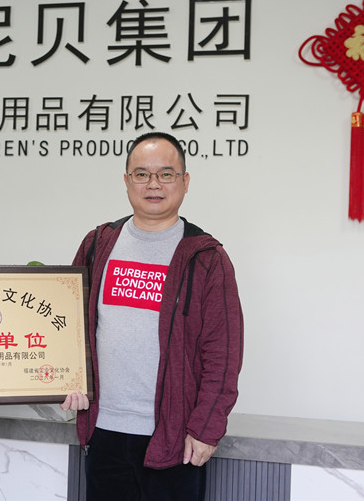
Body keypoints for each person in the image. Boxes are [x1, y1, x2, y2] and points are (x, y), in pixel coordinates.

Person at [61, 131, 243, 500]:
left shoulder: (206, 258)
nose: (153, 184)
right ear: (126, 181)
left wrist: (206, 428)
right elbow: (69, 324)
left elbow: (223, 355)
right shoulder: (98, 244)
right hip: (104, 430)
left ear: (185, 182)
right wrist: (67, 376)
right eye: (141, 174)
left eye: (166, 174)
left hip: (174, 440)